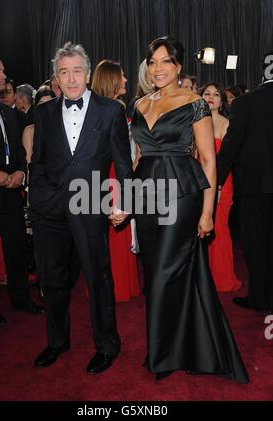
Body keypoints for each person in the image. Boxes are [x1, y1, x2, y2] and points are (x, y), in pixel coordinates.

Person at [131, 36, 249, 383]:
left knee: (165, 272)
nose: (157, 69)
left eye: (165, 61)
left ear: (179, 66)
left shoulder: (194, 102)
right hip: (146, 195)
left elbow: (208, 161)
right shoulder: (138, 104)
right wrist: (128, 201)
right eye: (152, 62)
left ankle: (162, 353)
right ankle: (173, 344)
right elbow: (138, 157)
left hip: (182, 194)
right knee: (155, 273)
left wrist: (207, 212)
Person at [29, 42, 133, 371]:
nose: (71, 78)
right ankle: (57, 342)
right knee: (52, 281)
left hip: (90, 203)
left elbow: (123, 164)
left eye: (77, 71)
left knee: (97, 277)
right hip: (50, 210)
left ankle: (107, 345)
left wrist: (125, 201)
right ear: (56, 78)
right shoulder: (43, 112)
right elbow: (40, 162)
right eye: (64, 72)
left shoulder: (111, 110)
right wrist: (39, 201)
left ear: (87, 74)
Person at [0, 54, 45, 326]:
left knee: (16, 248)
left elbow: (16, 150)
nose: (4, 76)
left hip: (11, 193)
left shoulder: (7, 111)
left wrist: (20, 172)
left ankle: (20, 298)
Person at [217, 52, 273, 313]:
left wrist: (215, 180)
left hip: (252, 186)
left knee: (256, 244)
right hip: (253, 186)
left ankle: (260, 298)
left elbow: (230, 146)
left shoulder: (245, 103)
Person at [91, 59, 140, 302]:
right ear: (111, 79)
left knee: (108, 236)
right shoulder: (115, 108)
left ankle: (113, 287)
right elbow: (122, 151)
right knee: (117, 234)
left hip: (103, 176)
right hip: (116, 176)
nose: (126, 80)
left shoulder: (99, 107)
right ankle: (120, 288)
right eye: (121, 75)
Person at [200, 82, 241, 292]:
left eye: (216, 94)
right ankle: (202, 277)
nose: (211, 97)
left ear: (221, 101)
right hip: (199, 181)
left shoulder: (227, 123)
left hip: (222, 183)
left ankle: (222, 278)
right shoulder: (195, 122)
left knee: (220, 228)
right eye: (207, 93)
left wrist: (217, 187)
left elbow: (226, 160)